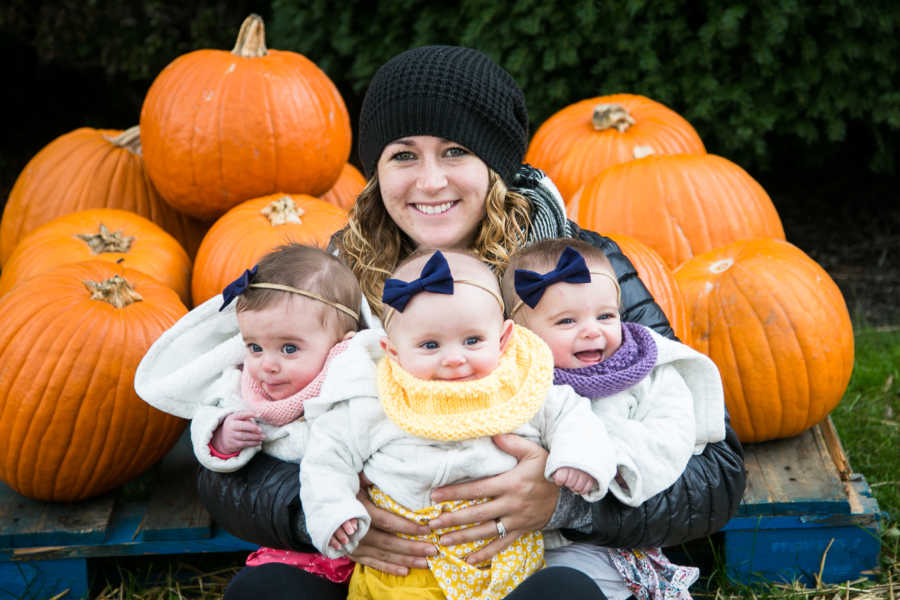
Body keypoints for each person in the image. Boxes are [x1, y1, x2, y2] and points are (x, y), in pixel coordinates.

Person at [138, 45, 745, 599]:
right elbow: (230, 449)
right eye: (404, 156)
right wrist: (322, 510)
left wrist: (564, 504)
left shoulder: (580, 272)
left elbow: (717, 469)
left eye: (456, 151)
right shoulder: (328, 283)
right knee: (266, 596)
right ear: (378, 170)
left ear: (496, 165)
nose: (430, 181)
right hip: (385, 558)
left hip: (553, 553)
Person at [302, 249, 616, 599]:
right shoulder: (373, 400)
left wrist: (578, 459)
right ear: (392, 351)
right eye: (430, 345)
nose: (454, 359)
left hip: (507, 569)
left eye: (472, 341)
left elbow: (572, 416)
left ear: (503, 339)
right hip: (407, 575)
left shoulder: (519, 387)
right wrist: (334, 511)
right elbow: (327, 457)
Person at [135, 243, 380, 583]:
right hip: (290, 535)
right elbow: (211, 415)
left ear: (341, 344)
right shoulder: (242, 383)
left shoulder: (352, 382)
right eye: (254, 347)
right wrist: (222, 436)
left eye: (289, 348)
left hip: (361, 520)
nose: (267, 364)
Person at [500, 239, 727, 600]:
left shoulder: (646, 372)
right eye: (567, 321)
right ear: (520, 334)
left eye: (605, 316)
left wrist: (604, 457)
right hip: (514, 545)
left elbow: (669, 436)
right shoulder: (511, 380)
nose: (592, 330)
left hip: (604, 548)